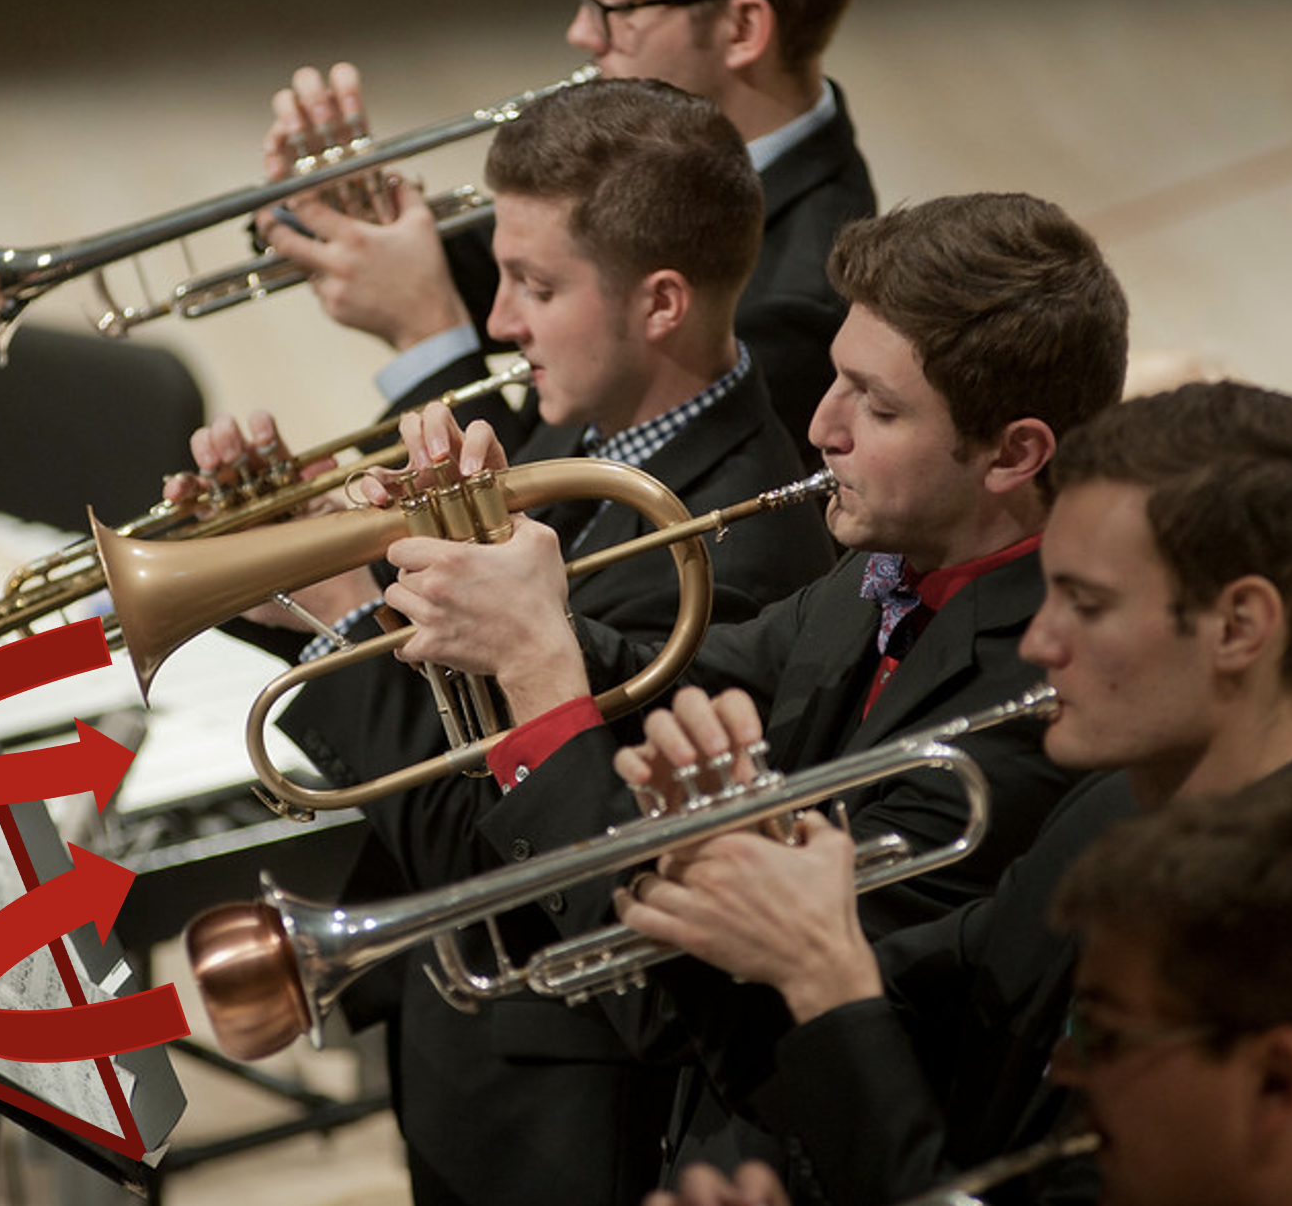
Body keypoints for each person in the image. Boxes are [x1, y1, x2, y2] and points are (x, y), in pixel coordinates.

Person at [371, 190, 1127, 1175]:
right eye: (836, 382)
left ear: (1014, 453)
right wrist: (482, 577)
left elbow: (723, 1001)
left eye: (878, 405)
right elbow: (688, 679)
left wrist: (532, 656)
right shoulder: (883, 569)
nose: (820, 425)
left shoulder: (1037, 712)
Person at [181, 76, 836, 1206]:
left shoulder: (728, 566)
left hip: (556, 1109)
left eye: (534, 285)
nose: (495, 322)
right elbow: (445, 708)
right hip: (458, 1043)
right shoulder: (586, 418)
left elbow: (507, 863)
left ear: (662, 303)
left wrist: (340, 604)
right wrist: (283, 588)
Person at [624, 381, 1292, 1206]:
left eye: (1086, 604)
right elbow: (902, 1012)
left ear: (1238, 627)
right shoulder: (1107, 814)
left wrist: (823, 974)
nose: (1037, 640)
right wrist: (728, 890)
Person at [258, 0, 874, 467]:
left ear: (742, 27)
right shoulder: (643, 150)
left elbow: (579, 530)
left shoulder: (802, 306)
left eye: (620, 5)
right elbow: (474, 267)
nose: (583, 31)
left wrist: (424, 334)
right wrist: (333, 212)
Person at [645, 773, 1292, 1206]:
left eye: (1107, 1033)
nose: (1069, 1068)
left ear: (1276, 1081)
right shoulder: (1100, 816)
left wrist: (824, 972)